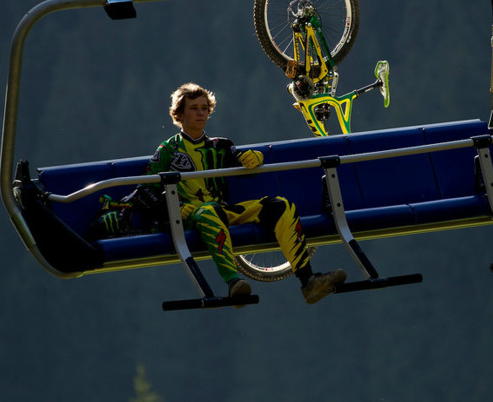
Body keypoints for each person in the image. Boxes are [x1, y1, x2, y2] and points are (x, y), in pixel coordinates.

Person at [146, 82, 346, 305]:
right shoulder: (167, 150)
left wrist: (254, 158)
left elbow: (241, 162)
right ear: (179, 114)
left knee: (281, 206)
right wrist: (178, 210)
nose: (201, 112)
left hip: (223, 211)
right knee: (210, 212)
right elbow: (149, 190)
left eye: (204, 108)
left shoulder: (220, 145)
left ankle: (308, 280)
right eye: (194, 108)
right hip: (193, 216)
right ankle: (234, 284)